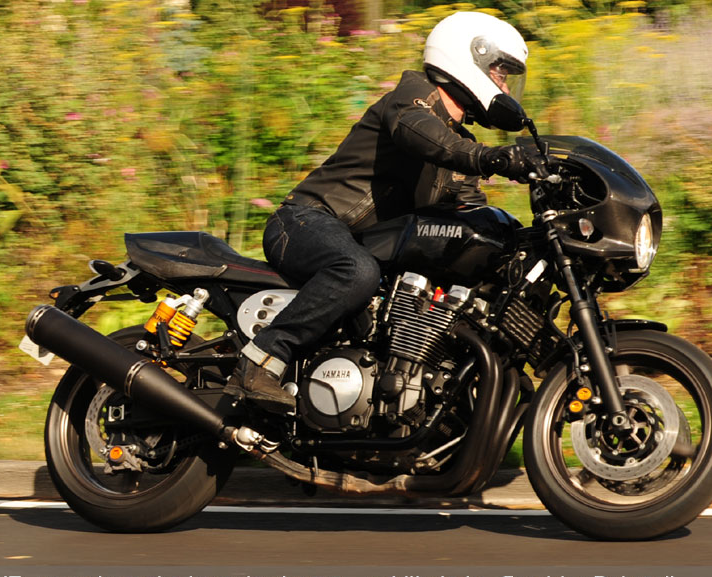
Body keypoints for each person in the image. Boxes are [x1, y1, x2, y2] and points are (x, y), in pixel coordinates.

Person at [225, 11, 545, 414]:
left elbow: (469, 217)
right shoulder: (414, 98)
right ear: (469, 58)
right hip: (306, 222)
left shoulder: (458, 148)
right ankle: (260, 361)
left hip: (359, 244)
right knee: (356, 271)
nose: (504, 86)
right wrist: (490, 157)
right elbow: (422, 135)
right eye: (500, 73)